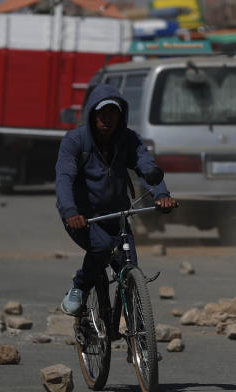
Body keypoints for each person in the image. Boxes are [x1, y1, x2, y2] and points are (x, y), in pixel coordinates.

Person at [55, 83, 177, 316]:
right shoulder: (75, 141)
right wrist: (70, 212)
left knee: (130, 268)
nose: (107, 119)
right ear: (92, 114)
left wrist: (161, 194)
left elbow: (146, 166)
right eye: (102, 113)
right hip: (83, 219)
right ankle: (79, 287)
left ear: (121, 116)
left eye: (113, 113)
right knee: (100, 247)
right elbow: (64, 178)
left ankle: (140, 343)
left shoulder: (128, 140)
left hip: (118, 217)